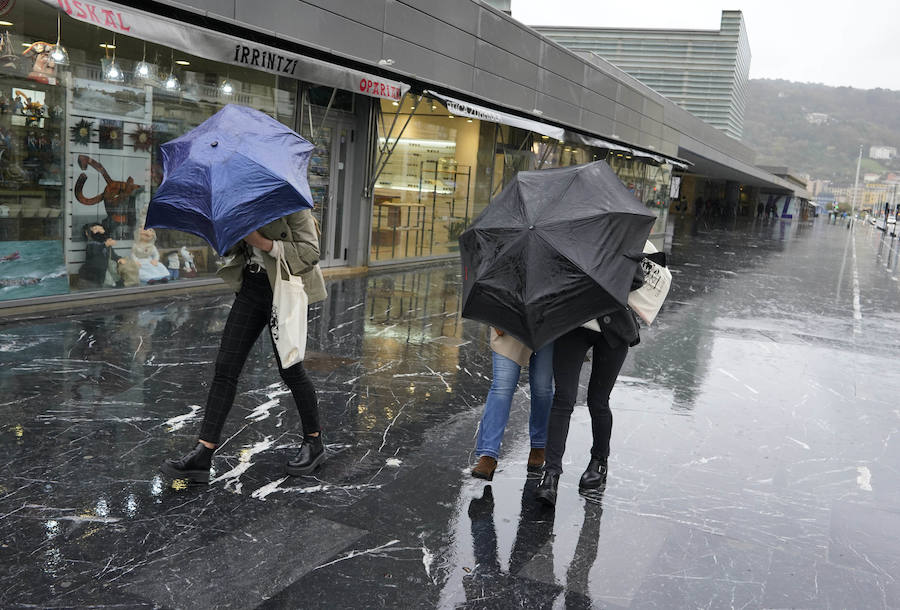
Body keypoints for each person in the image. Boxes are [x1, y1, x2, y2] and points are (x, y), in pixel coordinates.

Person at [160, 209, 327, 483]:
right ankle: (203, 453)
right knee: (226, 368)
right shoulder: (243, 204)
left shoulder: (293, 203)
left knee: (291, 369)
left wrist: (263, 242)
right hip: (252, 286)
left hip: (286, 290)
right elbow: (232, 249)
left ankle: (314, 442)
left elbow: (310, 253)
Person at [535, 287, 643, 506]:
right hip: (573, 323)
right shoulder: (572, 250)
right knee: (563, 398)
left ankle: (599, 461)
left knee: (598, 401)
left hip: (615, 327)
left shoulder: (623, 250)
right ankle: (551, 474)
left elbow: (636, 278)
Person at [470, 329, 553, 480]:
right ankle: (488, 453)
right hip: (509, 319)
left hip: (547, 321)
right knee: (502, 387)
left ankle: (539, 444)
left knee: (542, 388)